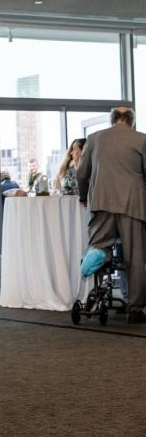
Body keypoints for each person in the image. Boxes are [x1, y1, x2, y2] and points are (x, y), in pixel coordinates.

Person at [76, 107, 146, 323]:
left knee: (98, 249)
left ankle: (96, 298)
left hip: (102, 203)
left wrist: (83, 196)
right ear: (131, 122)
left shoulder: (94, 138)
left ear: (112, 120)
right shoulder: (142, 140)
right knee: (135, 258)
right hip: (132, 205)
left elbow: (81, 173)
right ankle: (135, 308)